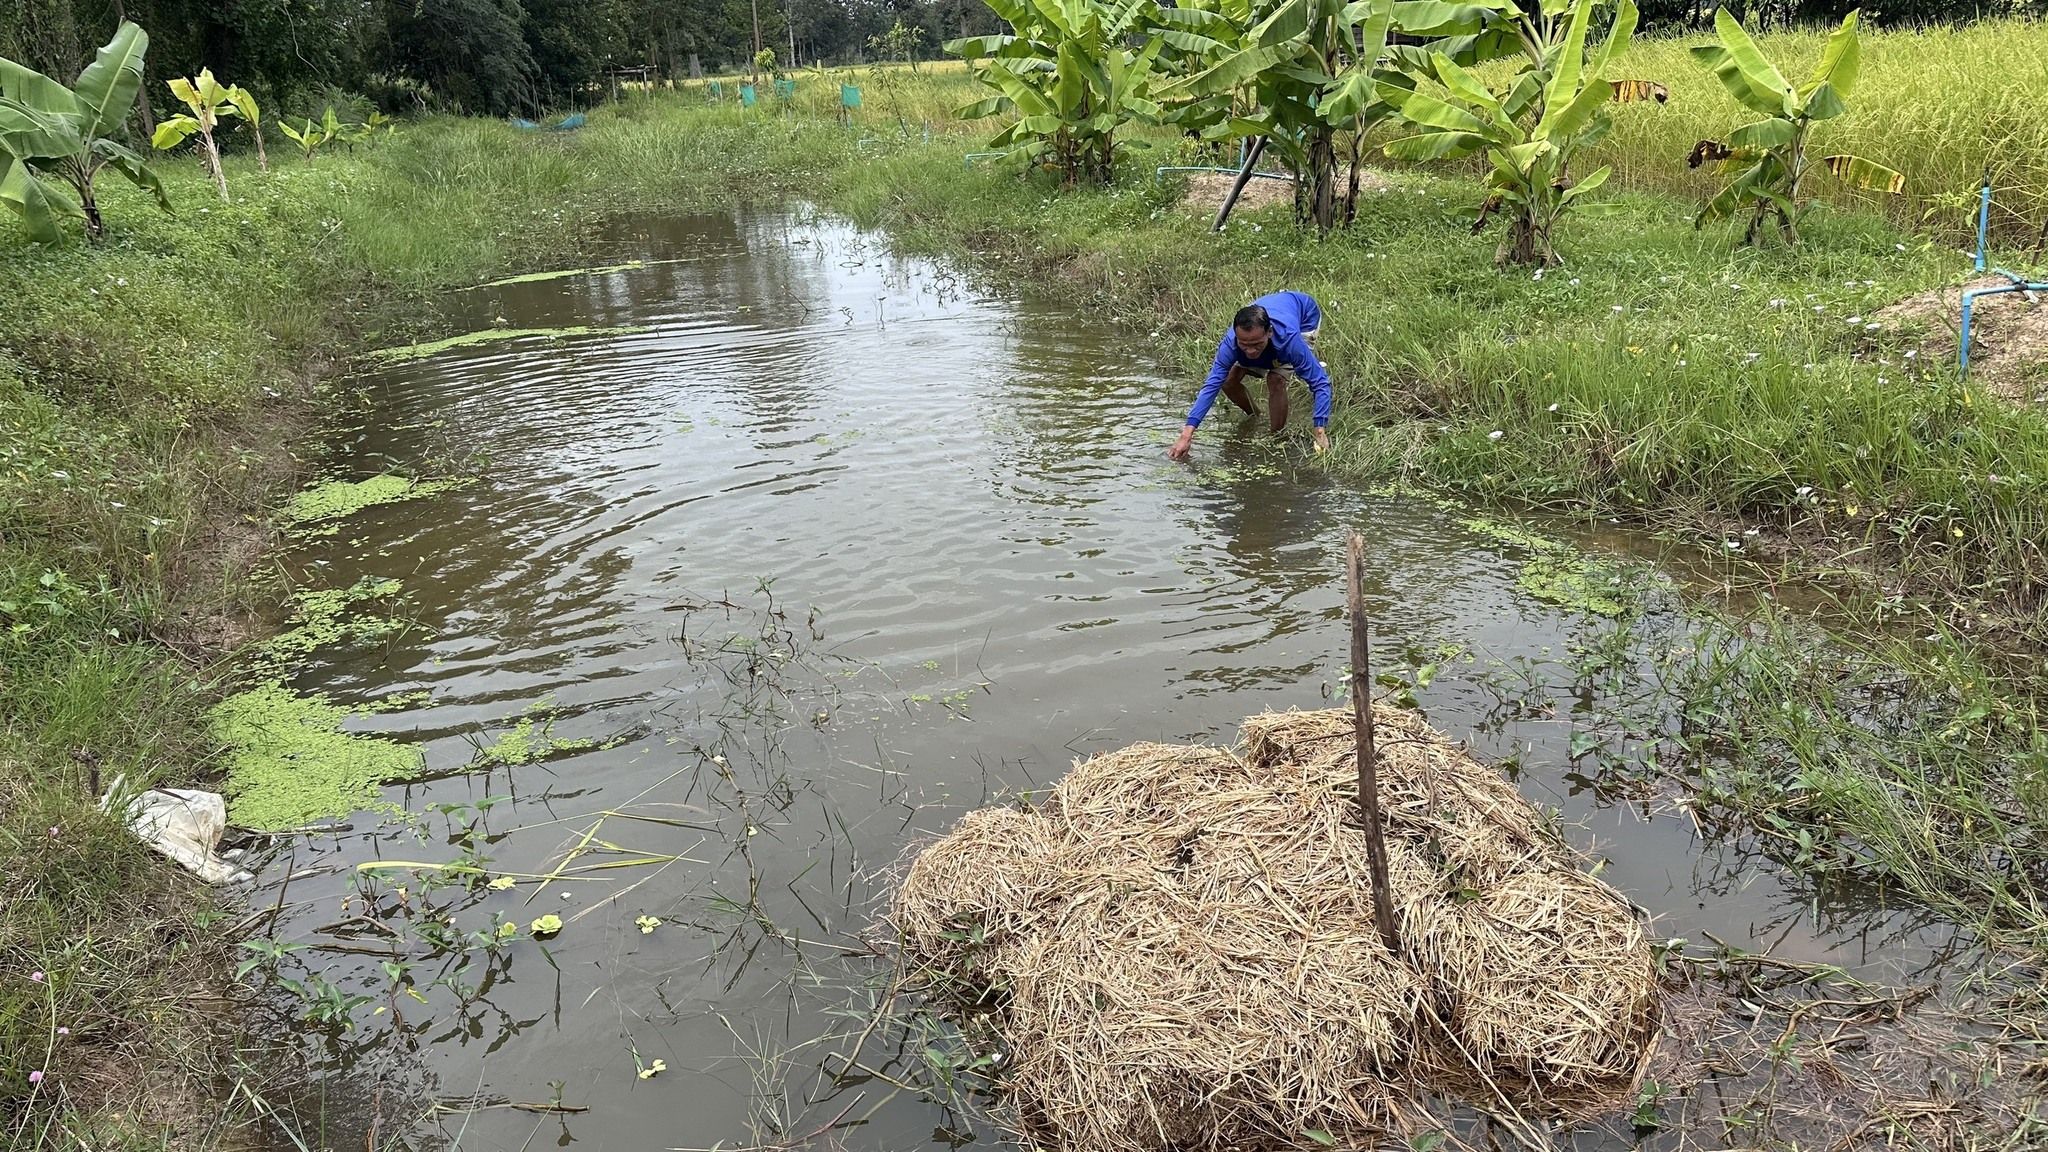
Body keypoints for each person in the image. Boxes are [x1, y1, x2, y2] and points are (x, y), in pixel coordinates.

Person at [1168, 290, 1332, 461]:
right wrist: (1186, 435)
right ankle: (1256, 416)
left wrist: (1319, 430)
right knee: (1228, 380)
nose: (1251, 350)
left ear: (1269, 332)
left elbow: (1320, 383)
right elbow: (1211, 385)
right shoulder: (1230, 344)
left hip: (1305, 316)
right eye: (1244, 344)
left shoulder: (1290, 340)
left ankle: (1276, 438)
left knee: (1275, 379)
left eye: (1256, 344)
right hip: (1273, 312)